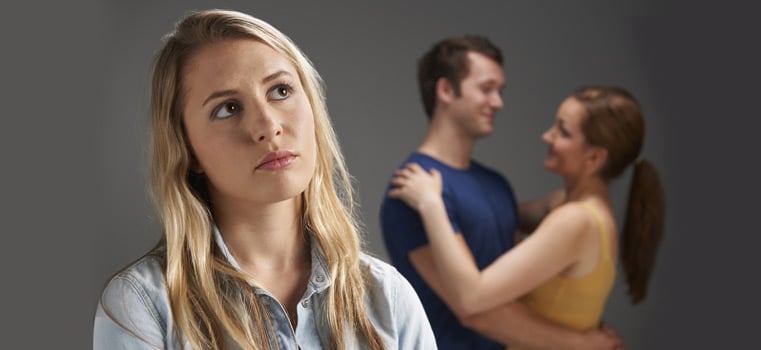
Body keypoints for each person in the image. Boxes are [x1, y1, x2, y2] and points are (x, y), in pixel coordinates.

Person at [93, 9, 436, 350]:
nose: (268, 126)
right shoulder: (142, 306)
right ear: (187, 149)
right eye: (227, 108)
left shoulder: (388, 299)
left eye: (281, 91)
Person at [379, 36, 624, 349]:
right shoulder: (411, 189)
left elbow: (545, 221)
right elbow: (476, 312)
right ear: (445, 90)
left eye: (500, 91)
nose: (498, 102)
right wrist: (583, 343)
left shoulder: (496, 184)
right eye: (486, 89)